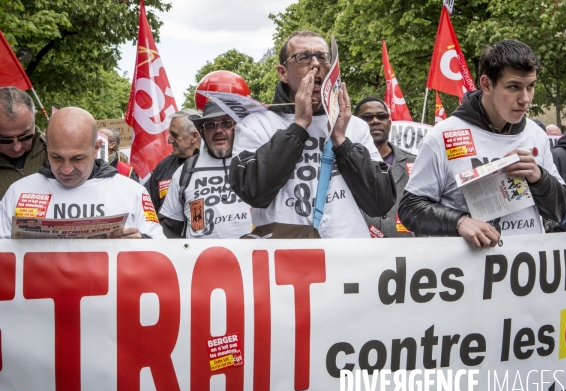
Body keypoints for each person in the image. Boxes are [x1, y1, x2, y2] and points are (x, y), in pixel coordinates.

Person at [398, 39, 566, 247]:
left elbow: (561, 210)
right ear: (486, 85)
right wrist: (459, 221)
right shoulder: (444, 135)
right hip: (467, 273)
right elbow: (410, 208)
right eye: (514, 87)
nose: (525, 99)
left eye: (530, 86)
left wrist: (539, 178)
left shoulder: (536, 134)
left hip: (526, 269)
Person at [229, 30, 396, 238]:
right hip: (286, 255)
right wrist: (298, 126)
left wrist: (341, 142)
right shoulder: (256, 124)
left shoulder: (354, 126)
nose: (316, 64)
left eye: (323, 57)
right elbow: (253, 191)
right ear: (283, 72)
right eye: (303, 57)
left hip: (349, 256)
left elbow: (381, 202)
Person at [0, 107, 165, 239]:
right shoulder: (19, 191)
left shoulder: (132, 191)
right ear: (47, 146)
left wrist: (142, 241)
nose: (66, 169)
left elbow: (161, 252)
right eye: (56, 157)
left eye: (77, 158)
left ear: (96, 148)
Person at [159, 102, 251, 238]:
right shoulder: (185, 172)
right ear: (201, 132)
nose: (219, 130)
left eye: (226, 123)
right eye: (210, 125)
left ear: (236, 127)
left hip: (253, 257)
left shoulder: (254, 163)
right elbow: (170, 231)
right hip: (202, 258)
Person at [353, 96, 415, 237]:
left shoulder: (414, 164)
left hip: (410, 254)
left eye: (382, 116)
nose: (375, 121)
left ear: (389, 122)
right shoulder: (345, 165)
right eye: (367, 118)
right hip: (362, 253)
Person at [144, 109, 202, 211]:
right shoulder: (163, 167)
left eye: (175, 135)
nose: (169, 140)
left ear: (194, 136)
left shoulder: (214, 164)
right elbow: (146, 205)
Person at [0, 86, 47, 200]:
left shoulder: (55, 152)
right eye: (5, 139)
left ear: (34, 117)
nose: (16, 147)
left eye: (25, 136)